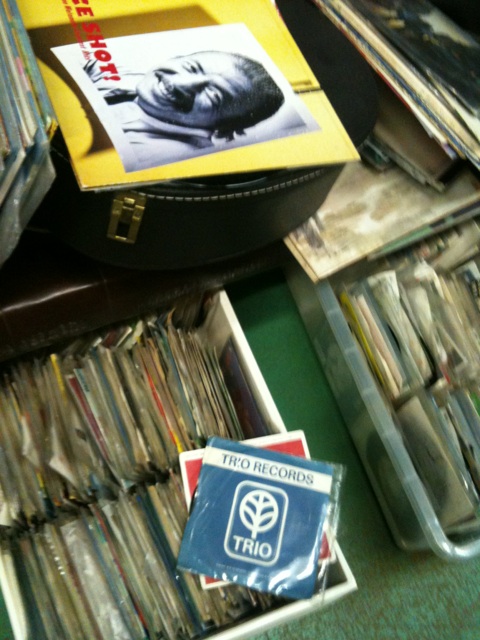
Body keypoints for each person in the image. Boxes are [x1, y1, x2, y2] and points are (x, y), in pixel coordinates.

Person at [84, 50, 285, 170]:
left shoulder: (153, 154)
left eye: (213, 95)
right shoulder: (126, 76)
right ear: (176, 57)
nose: (180, 84)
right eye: (191, 67)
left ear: (224, 129)